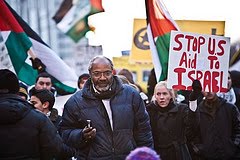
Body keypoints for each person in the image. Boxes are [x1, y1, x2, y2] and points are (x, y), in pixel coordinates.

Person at [60, 55, 153, 159]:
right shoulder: (75, 102)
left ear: (112, 72)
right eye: (97, 74)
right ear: (90, 74)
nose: (102, 78)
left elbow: (144, 131)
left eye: (107, 73)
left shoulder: (131, 95)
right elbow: (65, 133)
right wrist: (82, 135)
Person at [0, 69, 70, 159]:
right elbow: (54, 149)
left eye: (47, 84)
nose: (44, 86)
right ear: (17, 89)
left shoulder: (44, 119)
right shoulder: (39, 119)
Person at [188, 80, 240, 160]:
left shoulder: (230, 108)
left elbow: (238, 130)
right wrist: (200, 149)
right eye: (205, 87)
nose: (209, 91)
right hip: (207, 156)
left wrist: (232, 146)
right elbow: (192, 134)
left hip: (230, 156)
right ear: (200, 89)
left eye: (212, 86)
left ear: (217, 87)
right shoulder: (197, 111)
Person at [146, 81, 192, 160]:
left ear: (171, 95)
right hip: (157, 154)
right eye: (158, 94)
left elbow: (193, 125)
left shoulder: (182, 109)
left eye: (164, 93)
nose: (161, 97)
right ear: (155, 96)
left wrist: (193, 101)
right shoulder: (149, 111)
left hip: (177, 155)